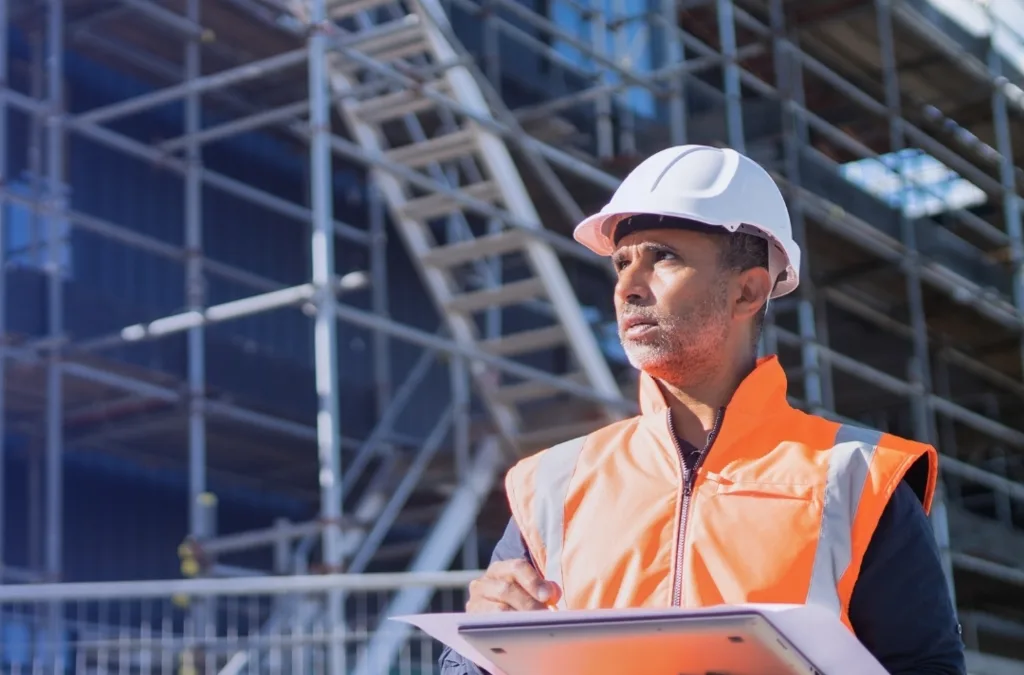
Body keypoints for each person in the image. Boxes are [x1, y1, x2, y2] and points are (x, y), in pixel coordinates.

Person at [439, 145, 966, 675]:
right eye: (622, 263)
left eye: (661, 257)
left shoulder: (859, 479)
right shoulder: (550, 483)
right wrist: (478, 648)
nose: (628, 287)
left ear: (748, 291)